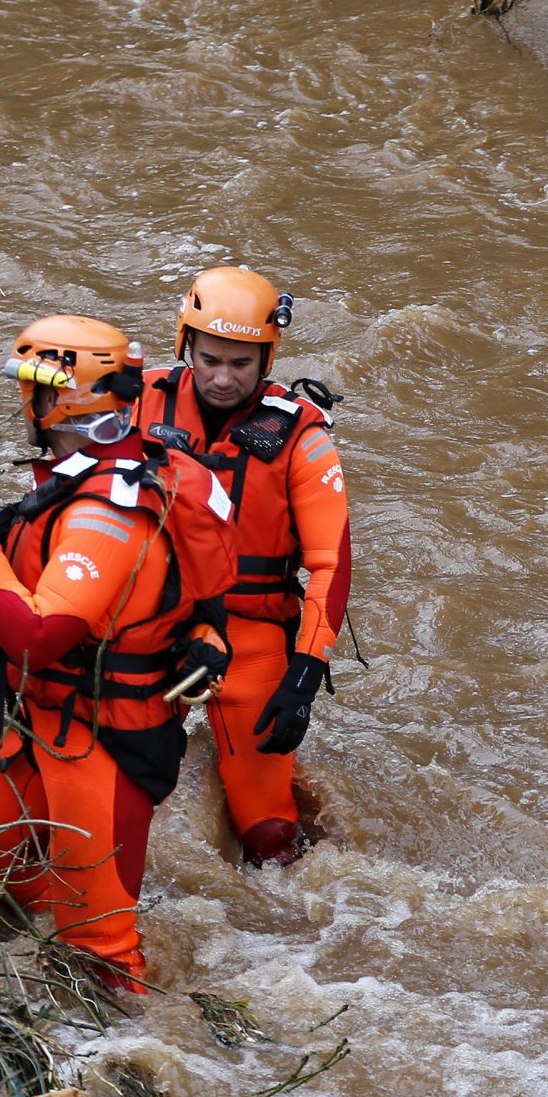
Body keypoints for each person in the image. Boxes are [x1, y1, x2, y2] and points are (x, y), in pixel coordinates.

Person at [0, 316, 236, 991]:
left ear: (59, 399)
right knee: (0, 889)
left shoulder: (106, 508)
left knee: (100, 951)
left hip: (99, 744)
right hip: (36, 723)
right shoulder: (80, 478)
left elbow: (41, 635)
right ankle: (18, 1003)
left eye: (31, 388)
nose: (25, 401)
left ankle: (128, 1069)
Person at [138, 267, 352, 868]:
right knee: (120, 796)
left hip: (253, 635)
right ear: (185, 347)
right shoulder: (136, 400)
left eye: (241, 364)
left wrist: (304, 679)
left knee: (269, 840)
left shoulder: (303, 436)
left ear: (267, 359)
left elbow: (332, 565)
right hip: (156, 627)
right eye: (209, 360)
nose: (222, 378)